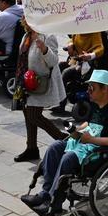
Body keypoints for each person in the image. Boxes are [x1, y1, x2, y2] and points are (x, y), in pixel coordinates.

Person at [20, 69, 108, 216]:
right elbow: (88, 123)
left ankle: (54, 202)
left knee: (68, 158)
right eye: (88, 87)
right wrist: (76, 131)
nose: (88, 91)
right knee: (55, 147)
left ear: (105, 89)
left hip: (103, 152)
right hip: (87, 143)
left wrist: (91, 139)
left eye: (92, 88)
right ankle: (45, 193)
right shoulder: (96, 104)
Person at [14, 17, 65, 162]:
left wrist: (44, 49)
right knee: (28, 115)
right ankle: (31, 149)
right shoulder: (27, 35)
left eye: (27, 18)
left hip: (40, 84)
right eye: (24, 18)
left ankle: (64, 140)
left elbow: (54, 61)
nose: (24, 20)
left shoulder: (47, 36)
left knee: (34, 116)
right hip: (25, 83)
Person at [58, 31, 105, 110]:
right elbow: (72, 39)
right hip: (77, 60)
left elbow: (100, 48)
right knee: (60, 66)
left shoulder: (94, 33)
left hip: (88, 64)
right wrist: (70, 44)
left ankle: (61, 103)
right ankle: (57, 97)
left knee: (66, 73)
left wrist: (90, 55)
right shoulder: (78, 30)